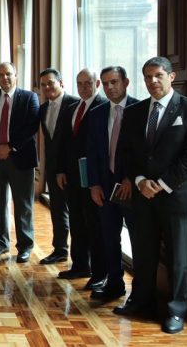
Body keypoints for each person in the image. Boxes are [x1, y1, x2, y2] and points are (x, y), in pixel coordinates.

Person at [116, 57, 187, 335]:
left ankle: (177, 310)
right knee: (143, 252)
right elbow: (126, 153)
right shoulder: (134, 111)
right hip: (143, 195)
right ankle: (140, 301)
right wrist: (140, 181)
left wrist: (160, 184)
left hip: (176, 195)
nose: (152, 81)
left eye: (158, 75)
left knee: (178, 257)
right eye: (147, 77)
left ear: (171, 77)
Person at [0, 63, 39, 262]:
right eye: (1, 75)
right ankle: (0, 243)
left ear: (16, 75)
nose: (5, 78)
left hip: (21, 158)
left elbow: (32, 126)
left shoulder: (29, 97)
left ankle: (25, 247)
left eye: (8, 74)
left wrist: (10, 147)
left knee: (23, 205)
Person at [85, 66, 138, 303]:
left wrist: (131, 178)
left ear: (126, 82)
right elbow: (92, 152)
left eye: (114, 82)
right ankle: (114, 284)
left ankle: (140, 291)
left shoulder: (140, 109)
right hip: (105, 188)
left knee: (137, 240)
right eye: (105, 83)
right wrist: (93, 184)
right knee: (109, 238)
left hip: (132, 188)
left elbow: (145, 151)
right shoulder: (97, 113)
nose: (109, 87)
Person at [55, 68, 108, 291]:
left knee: (95, 226)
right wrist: (60, 170)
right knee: (76, 222)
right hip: (73, 177)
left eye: (88, 83)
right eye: (80, 83)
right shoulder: (72, 107)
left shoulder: (104, 106)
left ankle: (100, 273)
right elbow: (63, 142)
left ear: (97, 84)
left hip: (94, 178)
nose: (84, 87)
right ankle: (79, 265)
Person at [38, 68, 80, 265]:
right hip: (53, 169)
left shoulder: (75, 104)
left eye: (51, 83)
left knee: (77, 214)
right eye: (43, 85)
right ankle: (60, 249)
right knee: (57, 210)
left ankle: (81, 257)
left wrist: (65, 169)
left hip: (73, 170)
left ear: (61, 83)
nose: (47, 87)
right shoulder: (43, 109)